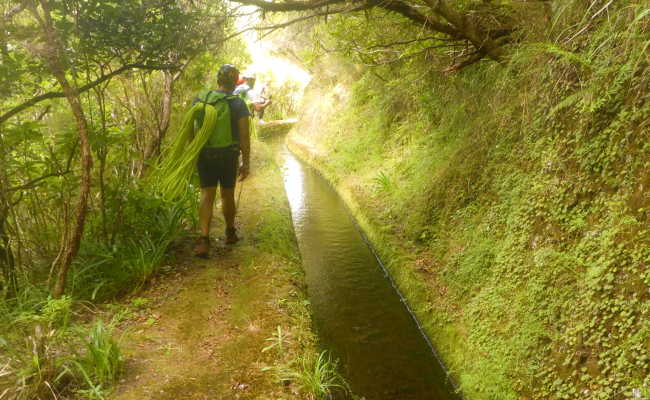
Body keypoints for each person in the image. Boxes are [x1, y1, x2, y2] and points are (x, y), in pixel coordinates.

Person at [193, 64, 251, 258]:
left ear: (218, 80)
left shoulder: (201, 99)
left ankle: (203, 238)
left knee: (206, 195)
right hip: (228, 155)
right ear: (235, 82)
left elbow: (191, 130)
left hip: (205, 155)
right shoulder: (238, 103)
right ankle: (230, 232)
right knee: (227, 195)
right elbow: (244, 136)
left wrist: (193, 154)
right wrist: (246, 162)